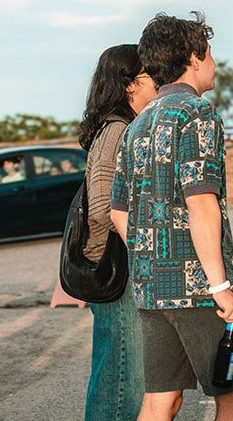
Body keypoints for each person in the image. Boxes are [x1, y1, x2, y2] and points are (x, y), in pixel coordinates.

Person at [110, 12, 233, 421]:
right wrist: (219, 285)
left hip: (151, 286)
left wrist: (148, 251)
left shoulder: (138, 123)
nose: (214, 64)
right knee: (232, 394)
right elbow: (201, 202)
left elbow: (118, 210)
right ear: (194, 56)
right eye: (210, 54)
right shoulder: (196, 112)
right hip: (198, 289)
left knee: (161, 401)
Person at [77, 44, 158, 421]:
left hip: (120, 263)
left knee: (116, 369)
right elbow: (101, 207)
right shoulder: (117, 130)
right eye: (149, 74)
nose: (158, 80)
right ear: (129, 83)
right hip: (120, 266)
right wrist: (143, 247)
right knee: (124, 375)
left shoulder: (124, 127)